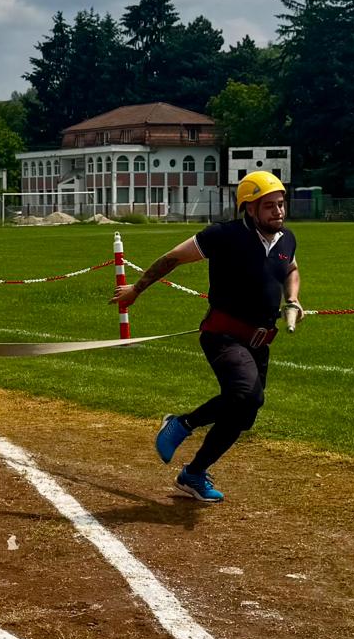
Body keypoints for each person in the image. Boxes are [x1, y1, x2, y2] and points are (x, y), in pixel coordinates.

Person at [113, 170, 302, 504]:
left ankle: (194, 474)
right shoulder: (223, 235)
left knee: (245, 412)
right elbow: (172, 258)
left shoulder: (285, 238)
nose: (279, 211)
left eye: (281, 203)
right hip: (223, 336)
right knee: (243, 394)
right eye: (269, 205)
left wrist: (293, 299)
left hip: (259, 343)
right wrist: (136, 290)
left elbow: (291, 269)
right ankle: (182, 424)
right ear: (249, 208)